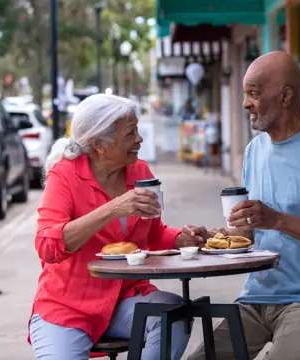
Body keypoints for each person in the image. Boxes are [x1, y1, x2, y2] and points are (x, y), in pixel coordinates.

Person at [189, 51, 300, 359]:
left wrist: (277, 220)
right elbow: (251, 233)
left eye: (253, 93)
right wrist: (216, 236)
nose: (245, 104)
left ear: (285, 96)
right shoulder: (254, 151)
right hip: (258, 295)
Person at [29, 94, 208, 360]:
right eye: (130, 133)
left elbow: (154, 234)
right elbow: (47, 246)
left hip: (124, 301)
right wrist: (114, 208)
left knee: (174, 316)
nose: (140, 138)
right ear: (99, 143)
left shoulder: (141, 172)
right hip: (66, 307)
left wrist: (183, 238)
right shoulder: (64, 175)